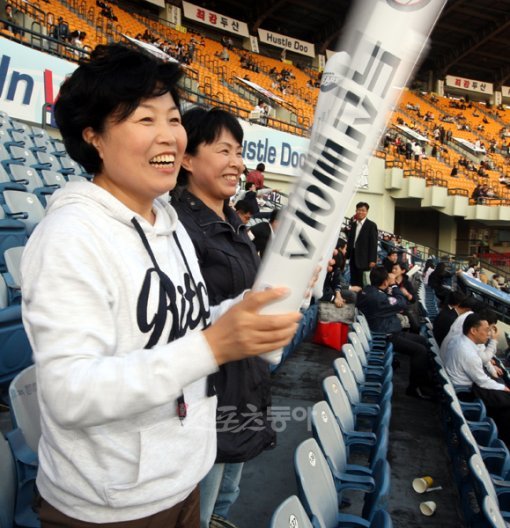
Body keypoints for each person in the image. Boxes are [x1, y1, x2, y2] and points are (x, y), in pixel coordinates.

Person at [21, 45, 300, 528]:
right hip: (109, 507)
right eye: (144, 120)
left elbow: (182, 326)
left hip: (181, 478)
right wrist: (213, 345)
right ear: (95, 138)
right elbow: (70, 395)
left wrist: (248, 308)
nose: (169, 134)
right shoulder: (69, 236)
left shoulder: (167, 221)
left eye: (173, 118)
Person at [171, 107, 283, 528]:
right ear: (187, 159)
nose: (237, 162)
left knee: (226, 499)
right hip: (209, 397)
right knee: (201, 509)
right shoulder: (177, 227)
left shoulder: (234, 221)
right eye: (224, 150)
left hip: (245, 385)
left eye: (239, 151)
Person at [356, 266, 432, 399]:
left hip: (386, 328)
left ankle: (424, 381)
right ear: (385, 282)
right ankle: (414, 388)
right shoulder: (378, 298)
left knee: (423, 341)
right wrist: (394, 285)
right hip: (385, 335)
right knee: (420, 350)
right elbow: (401, 303)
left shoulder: (367, 291)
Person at [444, 313, 510, 445]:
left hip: (461, 384)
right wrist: (504, 388)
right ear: (473, 331)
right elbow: (482, 381)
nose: (489, 334)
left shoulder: (461, 340)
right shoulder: (468, 353)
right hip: (464, 391)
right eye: (486, 330)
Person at [346, 201, 378, 287]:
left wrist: (372, 260)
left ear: (367, 212)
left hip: (364, 258)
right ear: (356, 211)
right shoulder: (353, 224)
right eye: (359, 210)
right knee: (353, 279)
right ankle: (355, 297)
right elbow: (350, 241)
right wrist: (347, 255)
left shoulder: (371, 225)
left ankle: (362, 297)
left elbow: (373, 243)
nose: (360, 212)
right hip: (353, 256)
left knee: (362, 281)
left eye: (363, 210)